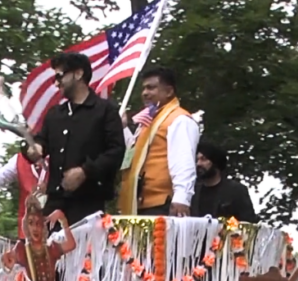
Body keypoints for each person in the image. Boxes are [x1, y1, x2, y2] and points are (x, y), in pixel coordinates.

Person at [24, 52, 126, 226]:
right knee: (49, 251)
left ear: (78, 74)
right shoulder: (55, 114)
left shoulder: (105, 110)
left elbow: (116, 151)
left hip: (89, 203)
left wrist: (85, 171)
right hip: (54, 205)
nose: (56, 83)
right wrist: (35, 149)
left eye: (59, 76)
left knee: (84, 252)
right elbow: (41, 141)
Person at [117, 67, 200, 216]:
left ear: (169, 91)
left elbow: (183, 161)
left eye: (151, 88)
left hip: (163, 204)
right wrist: (123, 128)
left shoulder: (179, 119)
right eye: (143, 88)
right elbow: (133, 154)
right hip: (139, 204)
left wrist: (182, 198)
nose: (144, 93)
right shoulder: (148, 121)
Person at [190, 142, 258, 222]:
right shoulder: (192, 192)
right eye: (197, 160)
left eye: (203, 159)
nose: (198, 164)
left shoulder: (236, 190)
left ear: (215, 163)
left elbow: (248, 223)